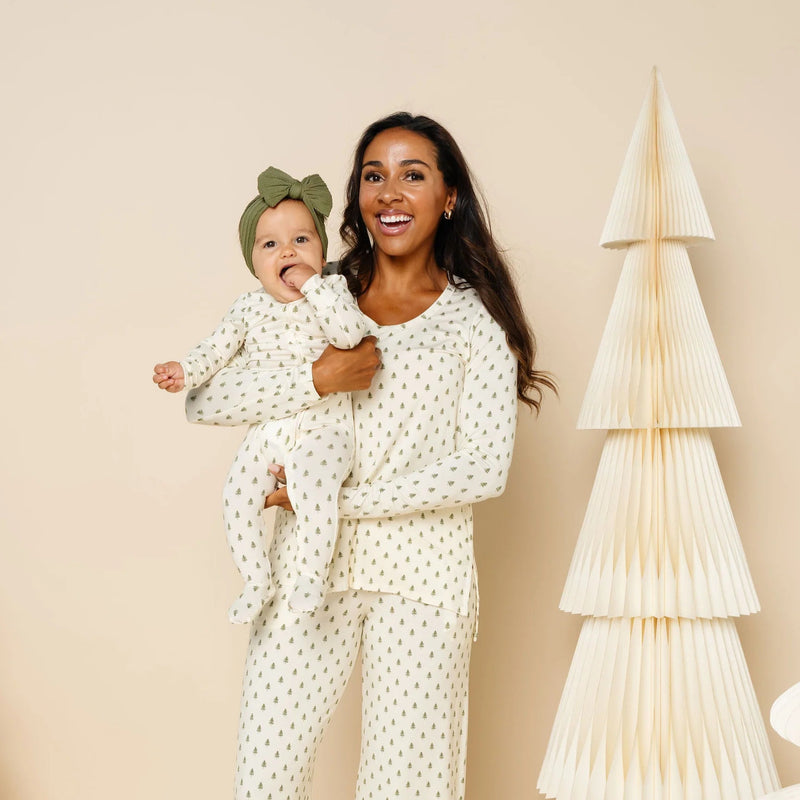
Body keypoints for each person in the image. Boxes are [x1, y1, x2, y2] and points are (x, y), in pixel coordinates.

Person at [184, 113, 555, 800]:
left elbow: (483, 467)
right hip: (306, 570)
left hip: (422, 576)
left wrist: (340, 504)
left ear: (448, 199)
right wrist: (317, 378)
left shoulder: (476, 322)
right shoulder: (313, 295)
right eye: (374, 176)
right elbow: (203, 401)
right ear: (355, 197)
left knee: (405, 787)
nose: (390, 192)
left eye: (413, 175)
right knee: (265, 778)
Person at [152, 167, 368, 621]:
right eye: (270, 245)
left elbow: (351, 337)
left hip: (326, 428)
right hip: (269, 431)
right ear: (254, 263)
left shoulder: (332, 291)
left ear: (322, 251)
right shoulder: (247, 308)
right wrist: (184, 371)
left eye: (302, 241)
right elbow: (215, 349)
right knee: (238, 494)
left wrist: (313, 284)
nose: (287, 252)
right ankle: (256, 580)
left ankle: (311, 575)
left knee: (314, 485)